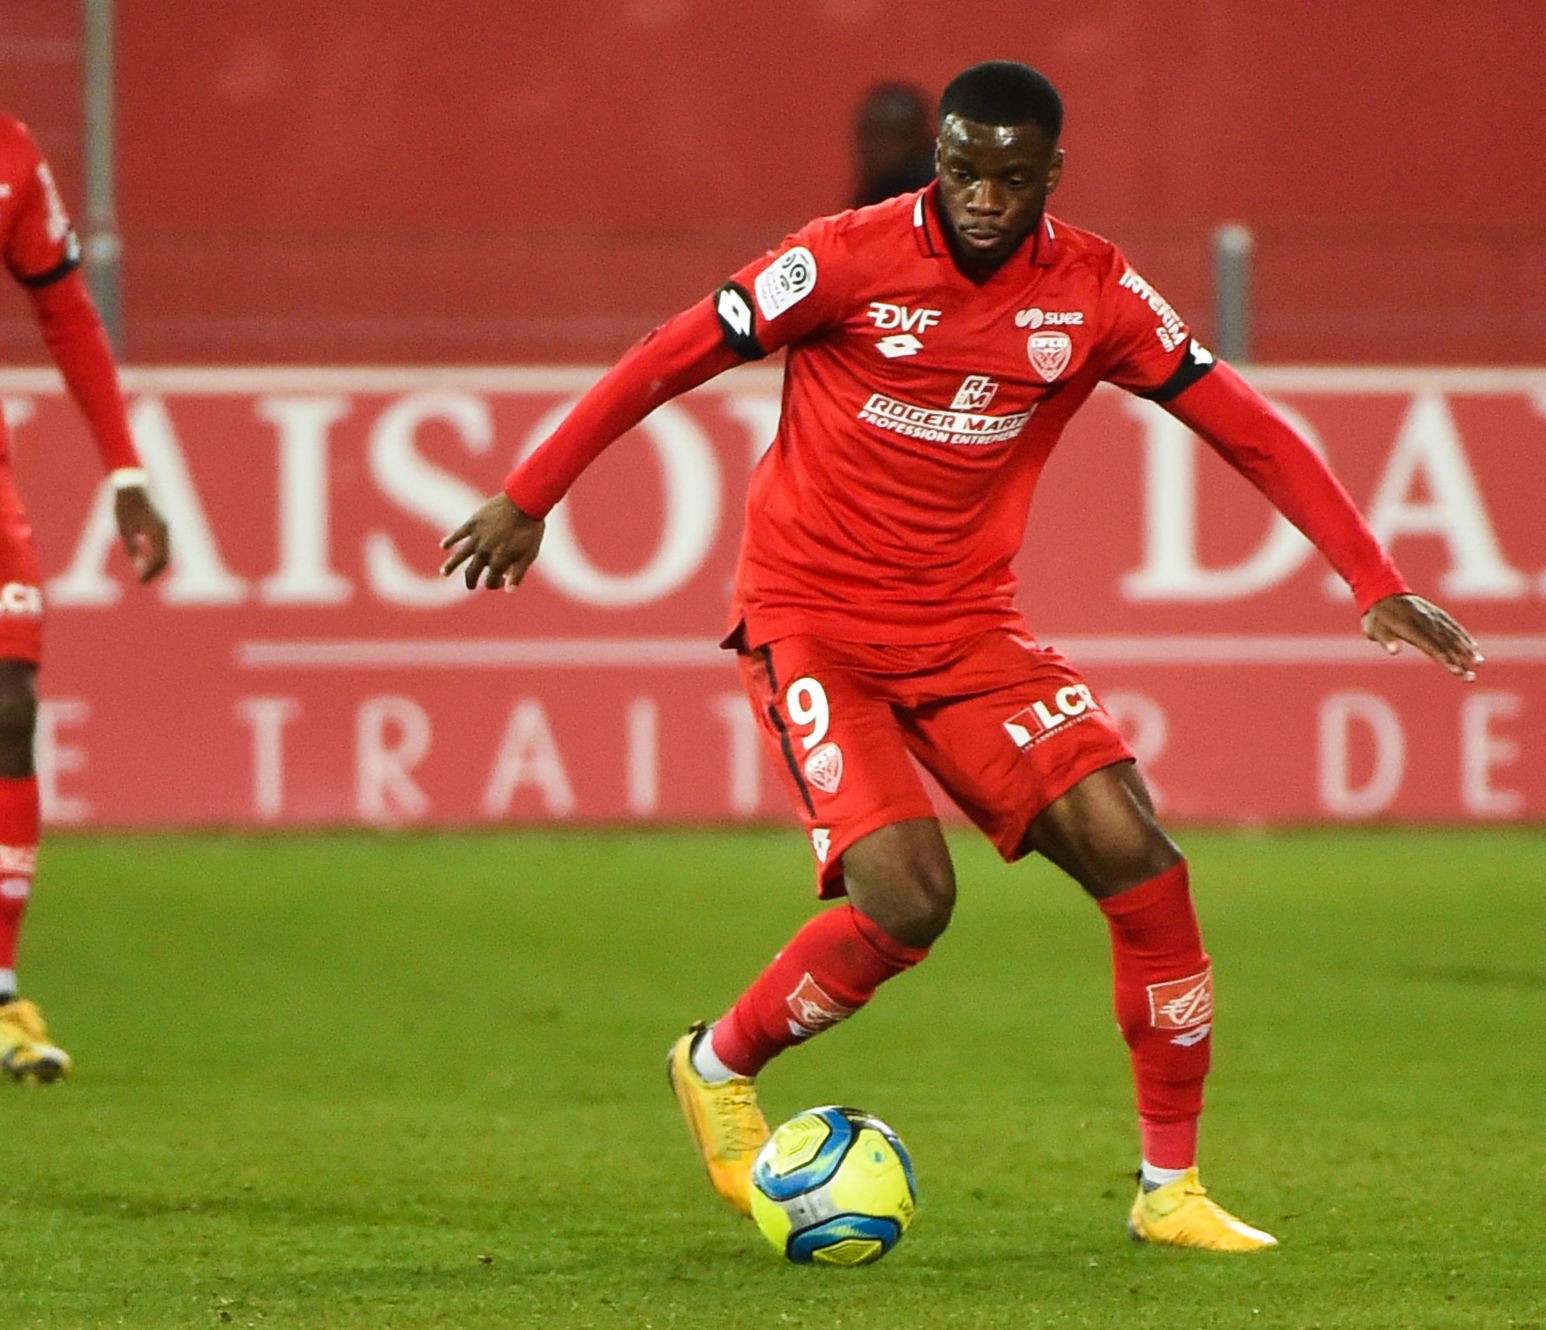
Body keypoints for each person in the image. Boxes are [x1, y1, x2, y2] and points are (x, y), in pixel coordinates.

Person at [441, 60, 1479, 1251]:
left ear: (1051, 175)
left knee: (1141, 862)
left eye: (1009, 176)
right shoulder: (840, 258)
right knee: (908, 900)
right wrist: (531, 495)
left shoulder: (1094, 289)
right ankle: (719, 1061)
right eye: (961, 170)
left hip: (969, 628)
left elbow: (1241, 422)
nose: (981, 197)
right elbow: (666, 355)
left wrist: (1373, 577)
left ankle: (1169, 1190)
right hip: (813, 623)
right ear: (937, 158)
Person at [0, 113, 170, 1082]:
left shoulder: (14, 155)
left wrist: (124, 473)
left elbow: (64, 311)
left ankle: (2, 992)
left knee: (10, 706)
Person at [850, 81, 935, 208]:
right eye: (867, 134)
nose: (871, 147)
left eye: (883, 135)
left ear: (915, 138)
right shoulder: (874, 193)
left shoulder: (936, 198)